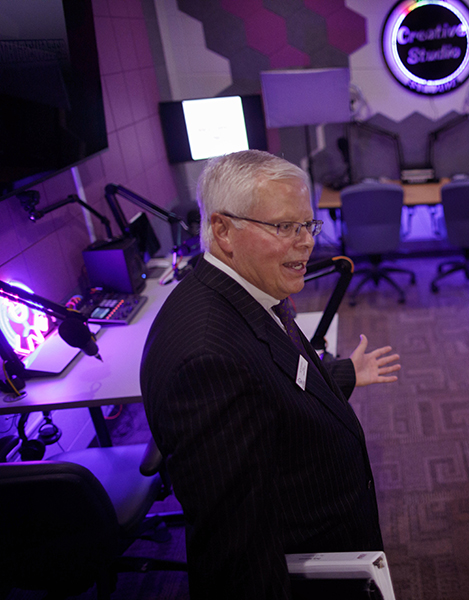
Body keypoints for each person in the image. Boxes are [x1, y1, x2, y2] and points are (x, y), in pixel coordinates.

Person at [140, 150, 401, 599]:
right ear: (223, 230)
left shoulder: (248, 287)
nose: (306, 243)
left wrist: (338, 376)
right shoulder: (207, 363)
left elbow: (272, 383)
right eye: (284, 227)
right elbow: (237, 558)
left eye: (308, 225)